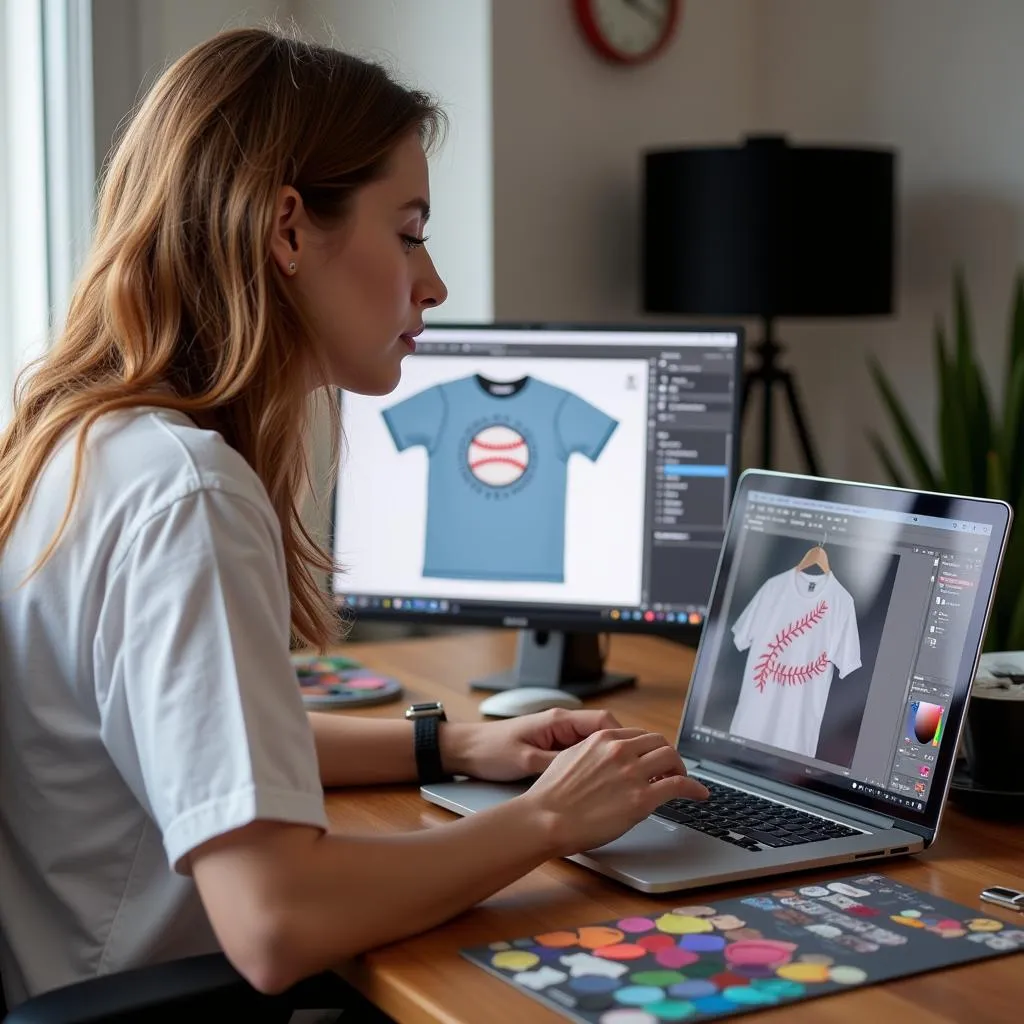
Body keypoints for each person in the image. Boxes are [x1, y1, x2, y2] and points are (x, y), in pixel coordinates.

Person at [0, 26, 708, 1007]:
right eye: (408, 229)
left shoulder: (86, 443)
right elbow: (274, 921)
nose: (434, 281)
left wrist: (451, 744)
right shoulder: (188, 495)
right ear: (288, 229)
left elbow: (206, 737)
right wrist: (548, 821)